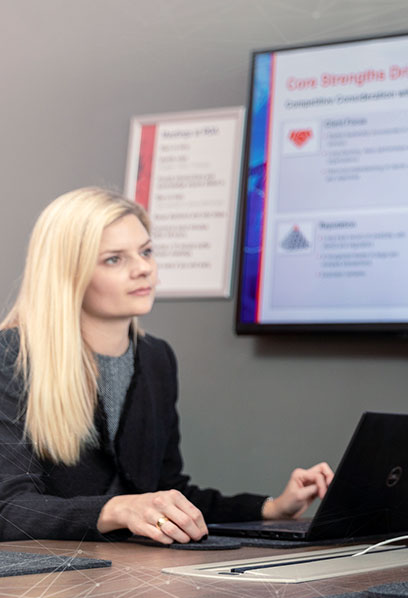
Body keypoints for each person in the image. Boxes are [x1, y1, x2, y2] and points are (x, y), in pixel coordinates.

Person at [0, 187, 334, 544]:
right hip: (48, 585)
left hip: (132, 572)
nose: (143, 268)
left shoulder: (156, 358)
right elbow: (10, 509)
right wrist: (115, 510)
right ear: (69, 272)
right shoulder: (12, 355)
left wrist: (272, 508)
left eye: (146, 252)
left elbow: (166, 490)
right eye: (115, 259)